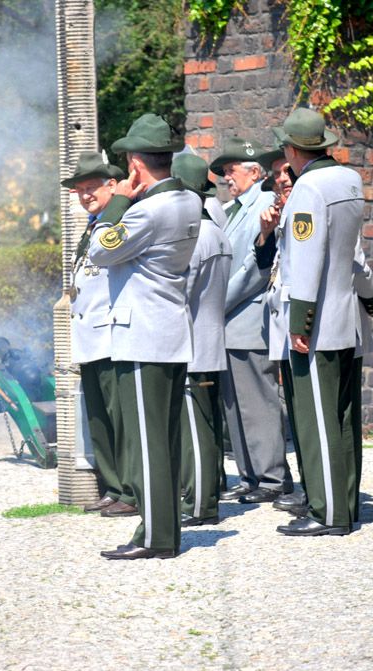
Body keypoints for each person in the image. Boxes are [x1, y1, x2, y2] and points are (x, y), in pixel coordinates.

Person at [87, 113, 202, 560]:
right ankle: (162, 530)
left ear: (136, 164)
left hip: (142, 335)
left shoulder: (148, 211)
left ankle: (156, 537)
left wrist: (116, 202)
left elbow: (100, 250)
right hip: (169, 329)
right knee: (165, 438)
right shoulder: (190, 201)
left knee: (148, 440)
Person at [268, 107, 368, 537]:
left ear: (292, 150)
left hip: (317, 321)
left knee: (317, 420)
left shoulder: (308, 189)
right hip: (346, 315)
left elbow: (306, 263)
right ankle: (343, 501)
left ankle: (328, 512)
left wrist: (299, 324)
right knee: (344, 418)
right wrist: (371, 295)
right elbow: (352, 252)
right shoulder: (349, 179)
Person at [208, 138, 292, 505]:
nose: (226, 177)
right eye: (225, 171)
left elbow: (253, 267)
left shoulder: (262, 203)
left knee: (257, 402)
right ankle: (249, 476)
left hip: (247, 315)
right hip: (231, 319)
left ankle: (272, 476)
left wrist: (218, 303)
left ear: (254, 172)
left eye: (232, 169)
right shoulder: (237, 207)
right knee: (235, 405)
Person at [62, 151, 132, 515]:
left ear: (112, 187)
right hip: (88, 333)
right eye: (80, 190)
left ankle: (131, 490)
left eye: (91, 188)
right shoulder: (93, 224)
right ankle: (113, 485)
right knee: (99, 418)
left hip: (109, 333)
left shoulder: (119, 220)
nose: (85, 195)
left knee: (119, 417)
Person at [171, 152, 232, 527]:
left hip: (193, 343)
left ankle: (200, 505)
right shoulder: (217, 232)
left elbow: (180, 291)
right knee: (207, 430)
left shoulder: (196, 236)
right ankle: (206, 496)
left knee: (196, 431)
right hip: (210, 340)